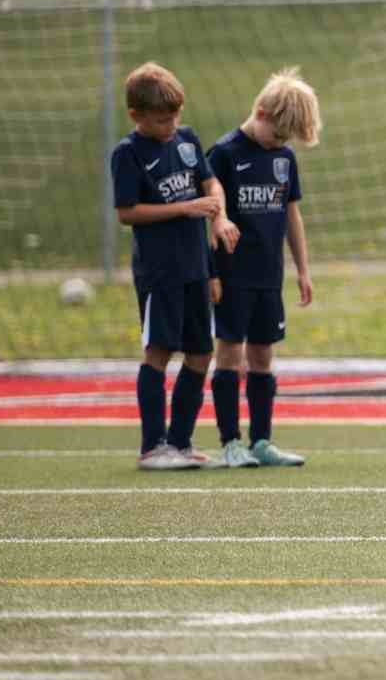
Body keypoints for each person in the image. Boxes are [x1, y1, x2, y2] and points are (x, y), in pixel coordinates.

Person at [111, 62, 236, 471]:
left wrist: (217, 215)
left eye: (176, 116)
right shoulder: (127, 154)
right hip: (159, 271)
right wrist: (186, 208)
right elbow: (127, 212)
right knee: (159, 351)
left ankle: (180, 442)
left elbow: (210, 184)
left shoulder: (186, 140)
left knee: (201, 352)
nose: (172, 124)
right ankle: (153, 446)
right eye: (163, 119)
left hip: (196, 268)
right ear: (137, 116)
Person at [205, 67, 322, 469]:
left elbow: (292, 216)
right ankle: (229, 443)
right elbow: (208, 216)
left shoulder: (284, 159)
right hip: (232, 276)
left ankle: (261, 441)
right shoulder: (223, 154)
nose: (280, 144)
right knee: (230, 356)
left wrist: (302, 269)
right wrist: (212, 272)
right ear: (261, 112)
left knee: (262, 357)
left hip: (268, 277)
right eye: (277, 135)